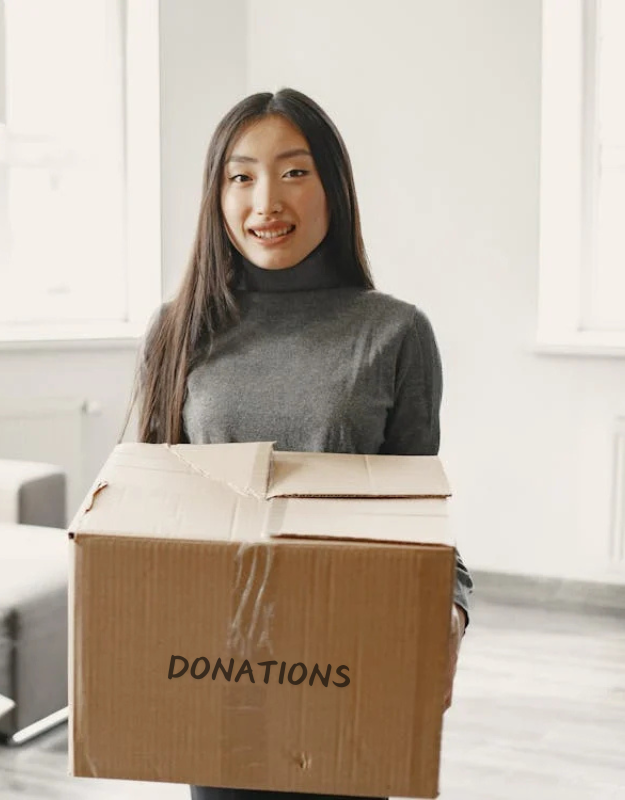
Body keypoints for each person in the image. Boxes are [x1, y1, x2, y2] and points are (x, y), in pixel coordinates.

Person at [131, 87, 473, 800]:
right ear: (217, 195)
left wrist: (453, 609)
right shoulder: (178, 330)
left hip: (351, 659)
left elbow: (419, 515)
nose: (266, 202)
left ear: (333, 186)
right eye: (241, 175)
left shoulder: (394, 331)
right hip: (218, 663)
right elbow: (147, 513)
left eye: (293, 171)